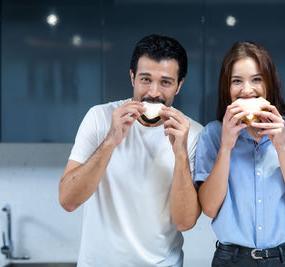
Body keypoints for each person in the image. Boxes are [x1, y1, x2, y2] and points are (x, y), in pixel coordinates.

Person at [59, 34, 203, 267]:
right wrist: (111, 140)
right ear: (132, 77)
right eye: (146, 79)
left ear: (179, 86)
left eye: (166, 82)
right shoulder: (100, 118)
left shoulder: (194, 134)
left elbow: (185, 222)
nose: (154, 92)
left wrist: (180, 153)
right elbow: (68, 200)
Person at [194, 41, 285, 267]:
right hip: (230, 259)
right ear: (226, 88)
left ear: (270, 83)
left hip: (284, 258)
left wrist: (281, 147)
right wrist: (226, 146)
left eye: (257, 79)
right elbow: (209, 208)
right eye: (237, 81)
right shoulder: (213, 134)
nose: (247, 90)